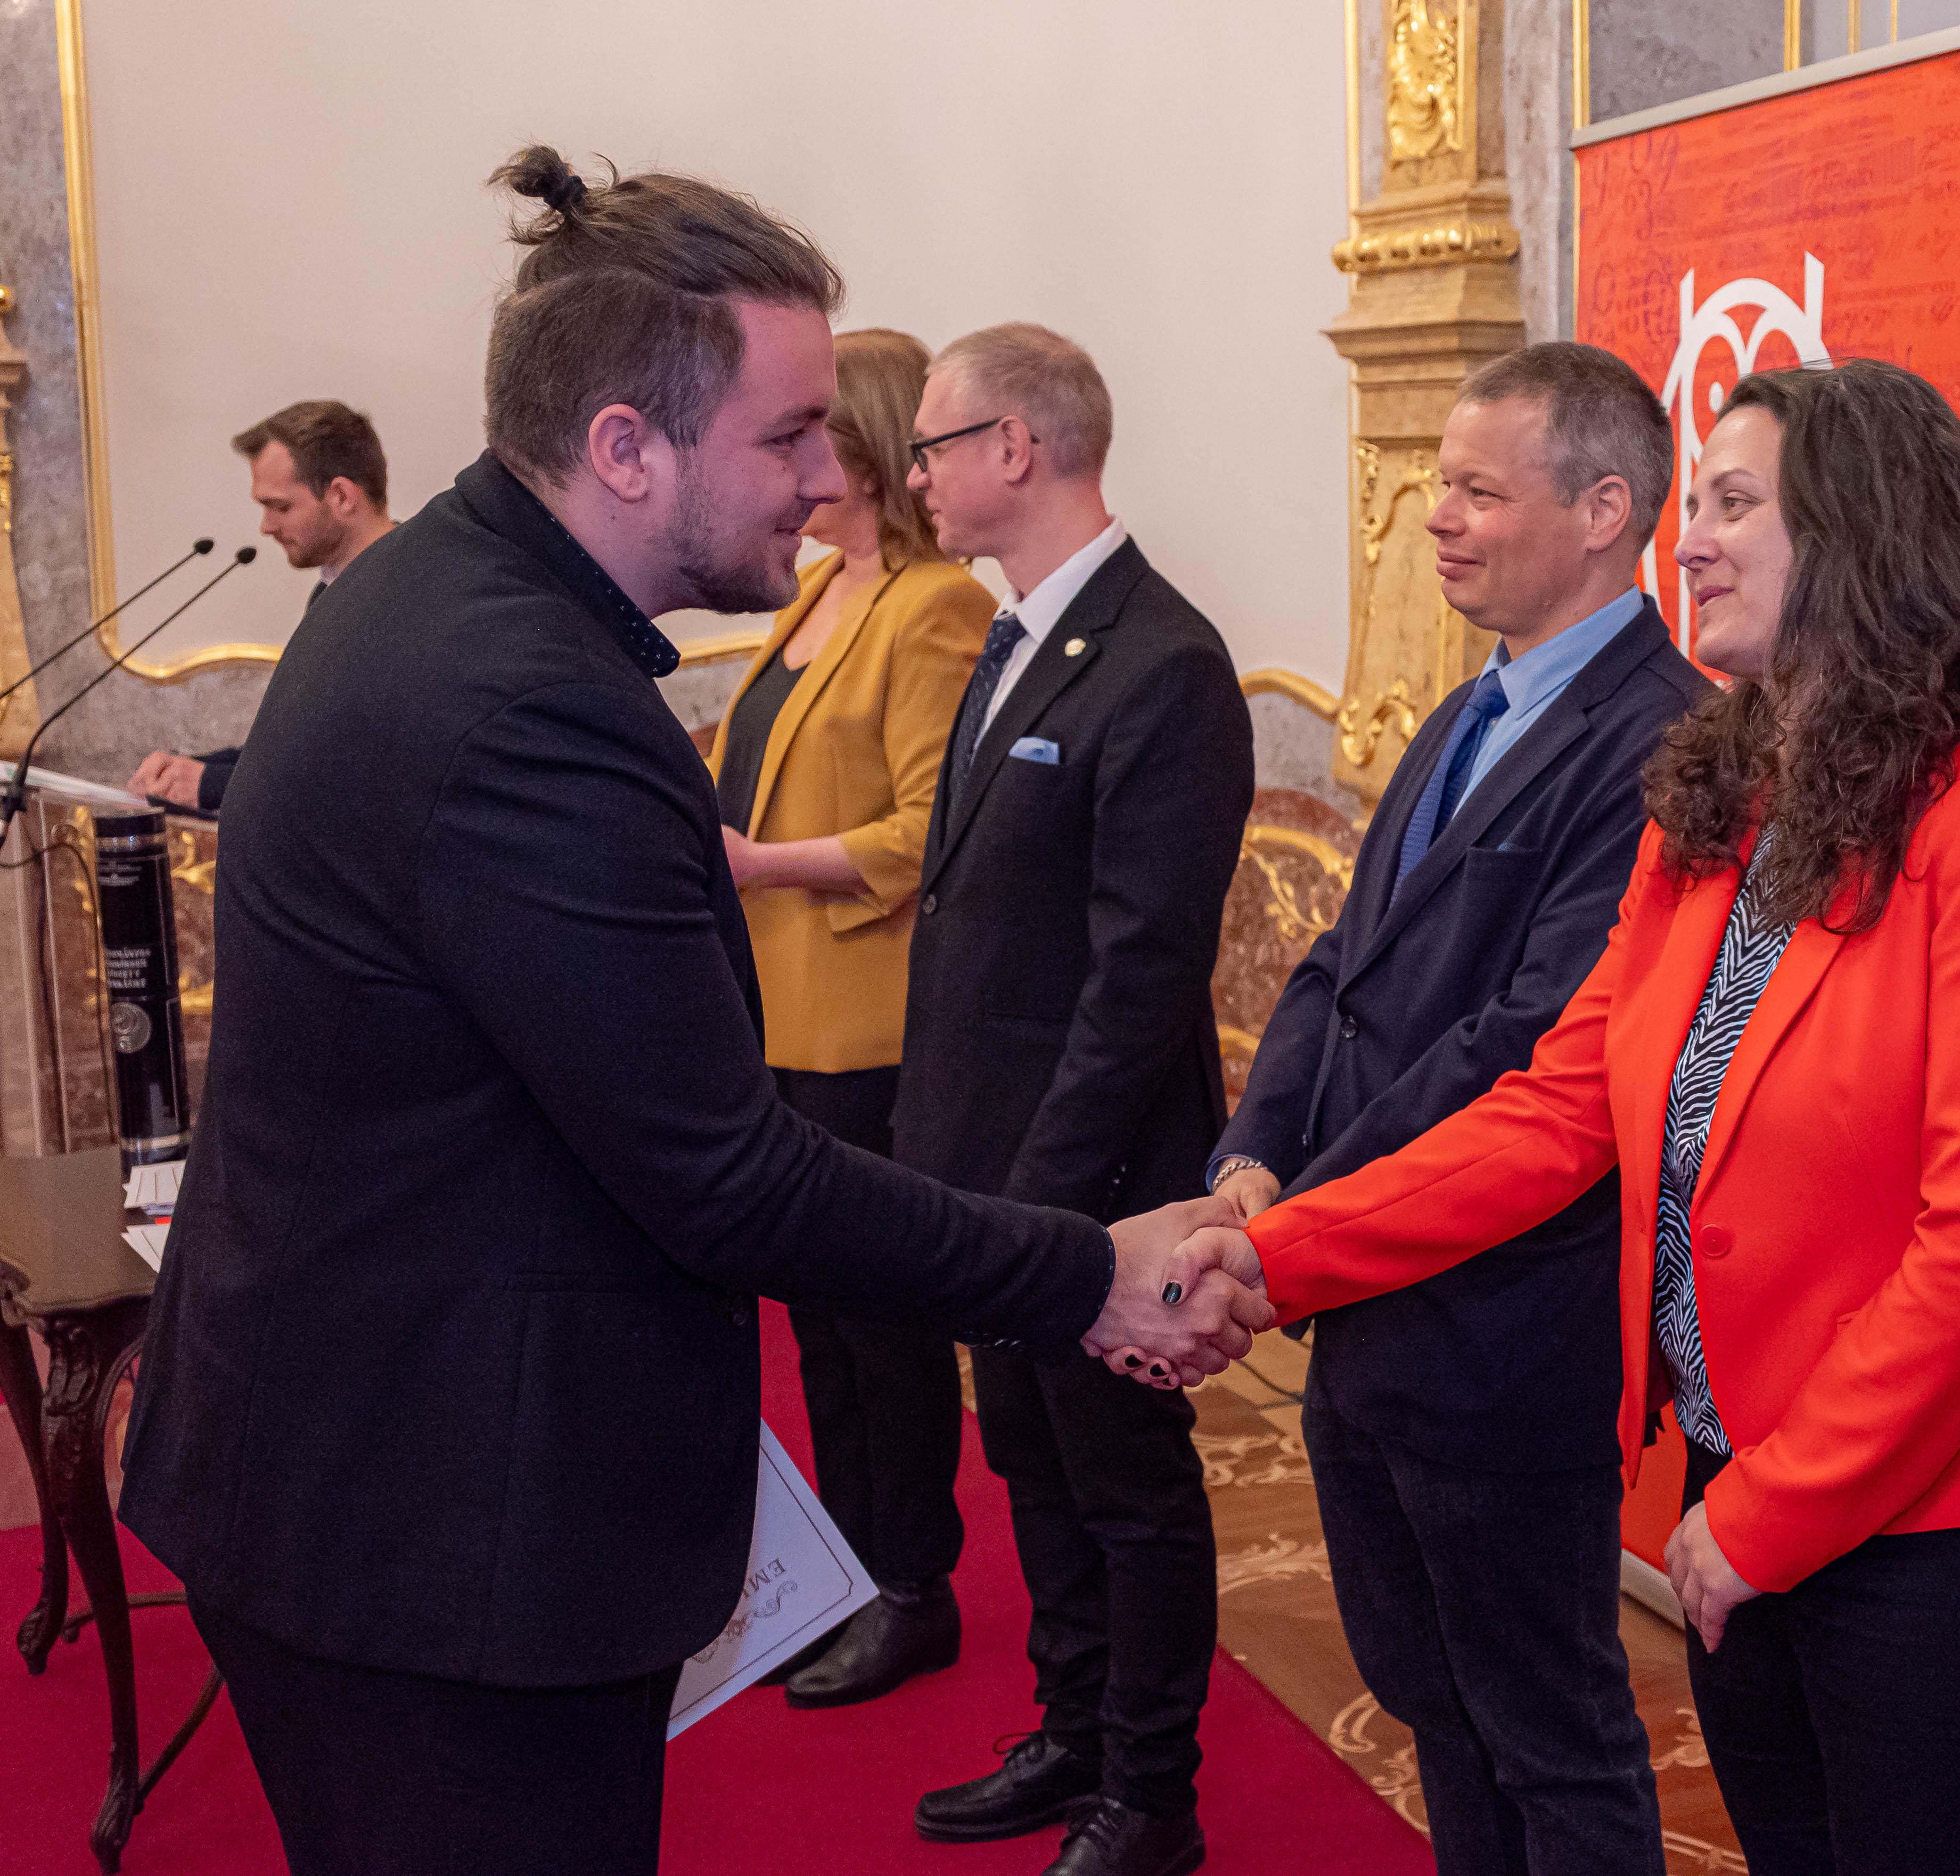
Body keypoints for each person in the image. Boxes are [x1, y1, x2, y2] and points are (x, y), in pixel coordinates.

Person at [116, 149, 1266, 1876]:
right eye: (790, 432)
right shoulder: (525, 700)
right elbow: (722, 1176)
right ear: (625, 446)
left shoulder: (453, 601)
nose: (827, 474)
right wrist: (1087, 1269)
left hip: (379, 1475)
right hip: (435, 1530)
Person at [1132, 358, 1960, 1875]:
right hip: (1730, 1483)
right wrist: (1277, 1255)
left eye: (1734, 504)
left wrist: (1771, 1513)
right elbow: (1553, 1111)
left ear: (1862, 537)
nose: (1694, 539)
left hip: (1920, 1531)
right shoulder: (1719, 815)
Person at [1206, 340, 1706, 1876]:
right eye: (1441, 484)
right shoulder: (1471, 702)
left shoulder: (1665, 737)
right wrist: (1253, 1154)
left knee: (1548, 1731)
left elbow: (1524, 1046)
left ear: (1605, 510)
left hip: (1504, 1331)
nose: (1436, 517)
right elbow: (1339, 966)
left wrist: (1297, 1213)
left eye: (1480, 491)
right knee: (1435, 1704)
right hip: (1368, 1299)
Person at [891, 323, 1255, 1876]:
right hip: (999, 1176)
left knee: (1126, 1484)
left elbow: (1139, 977)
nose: (914, 473)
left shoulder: (1163, 662)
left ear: (1015, 445)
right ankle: (1075, 1728)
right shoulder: (1016, 636)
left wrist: (1042, 1208)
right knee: (1032, 1466)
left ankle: (1151, 1794)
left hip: (1096, 1187)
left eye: (931, 445)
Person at [707, 326, 996, 1709]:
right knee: (816, 1321)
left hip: (867, 1024)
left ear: (865, 450)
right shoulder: (821, 587)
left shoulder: (934, 605)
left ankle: (914, 1586)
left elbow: (928, 831)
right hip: (776, 1012)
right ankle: (845, 1572)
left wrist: (759, 864)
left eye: (810, 432)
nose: (795, 460)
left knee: (882, 1325)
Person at [128, 400, 396, 810]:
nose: (267, 527)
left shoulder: (408, 594)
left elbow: (365, 766)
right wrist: (190, 771)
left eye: (281, 506)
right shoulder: (332, 589)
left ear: (342, 496)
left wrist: (211, 784)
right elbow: (294, 748)